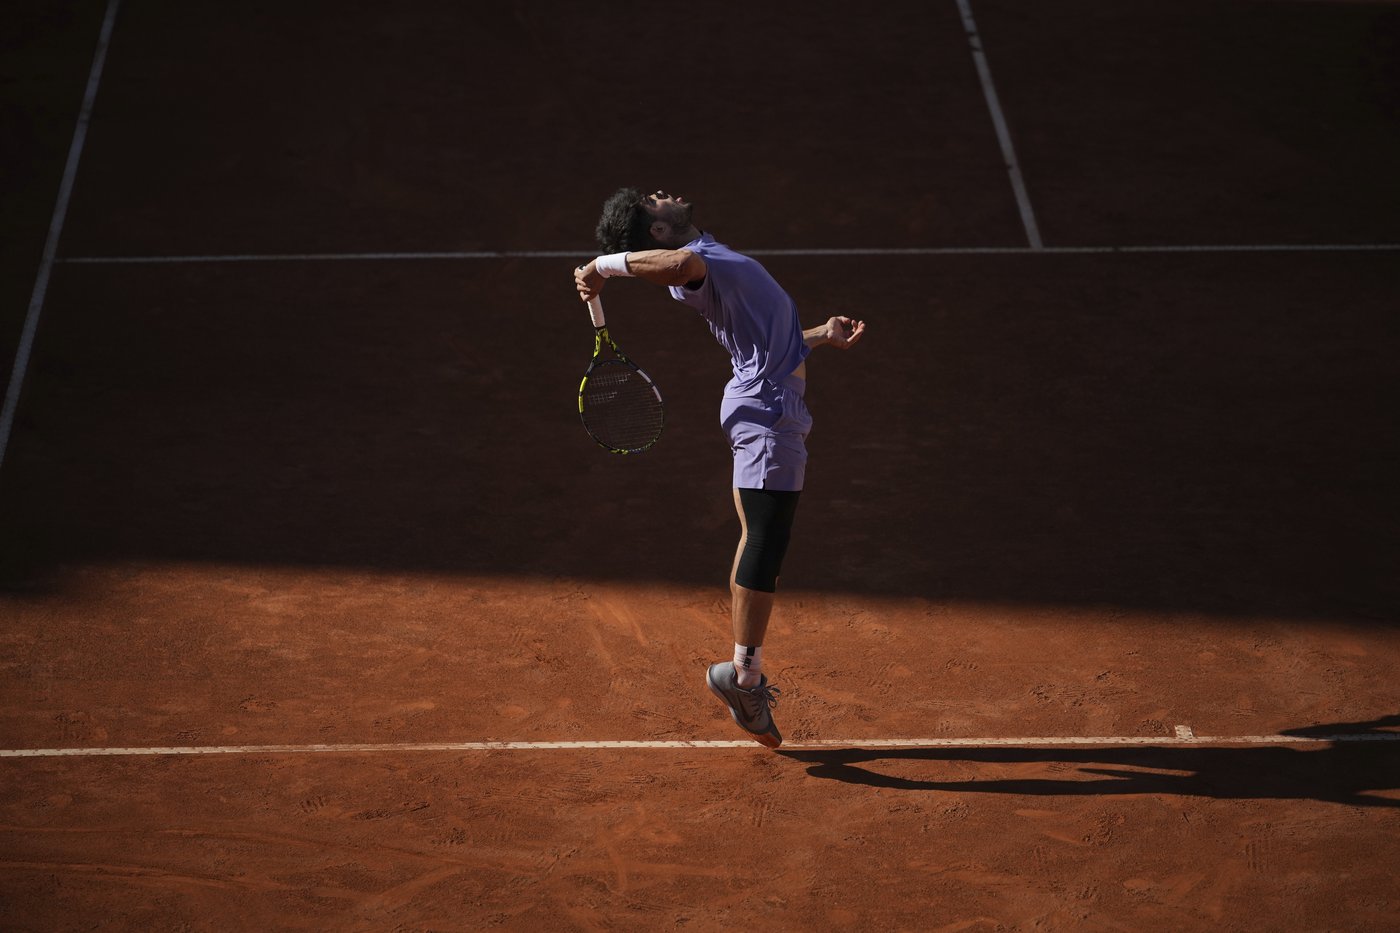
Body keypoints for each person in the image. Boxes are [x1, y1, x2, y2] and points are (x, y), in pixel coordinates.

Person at [574, 188, 866, 748]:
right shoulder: (692, 263)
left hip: (772, 403)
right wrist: (600, 267)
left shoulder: (710, 260)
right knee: (766, 539)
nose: (664, 196)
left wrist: (818, 338)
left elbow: (771, 343)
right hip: (768, 413)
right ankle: (744, 676)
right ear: (657, 233)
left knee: (761, 537)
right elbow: (677, 266)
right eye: (652, 203)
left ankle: (742, 674)